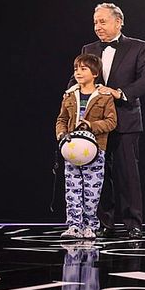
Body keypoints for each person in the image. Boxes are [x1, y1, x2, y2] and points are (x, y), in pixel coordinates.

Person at [81, 3, 145, 239]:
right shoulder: (89, 48)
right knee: (99, 173)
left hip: (126, 121)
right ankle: (105, 222)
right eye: (95, 22)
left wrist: (119, 92)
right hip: (96, 124)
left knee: (127, 174)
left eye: (102, 22)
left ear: (118, 22)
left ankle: (133, 224)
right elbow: (77, 78)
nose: (97, 27)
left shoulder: (138, 47)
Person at [56, 54, 117, 239]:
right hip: (72, 149)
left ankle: (91, 225)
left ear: (95, 73)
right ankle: (74, 225)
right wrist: (61, 134)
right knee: (72, 188)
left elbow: (111, 121)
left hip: (95, 149)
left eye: (83, 69)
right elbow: (62, 119)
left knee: (92, 190)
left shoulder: (104, 97)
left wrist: (92, 126)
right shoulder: (69, 95)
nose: (78, 72)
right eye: (76, 69)